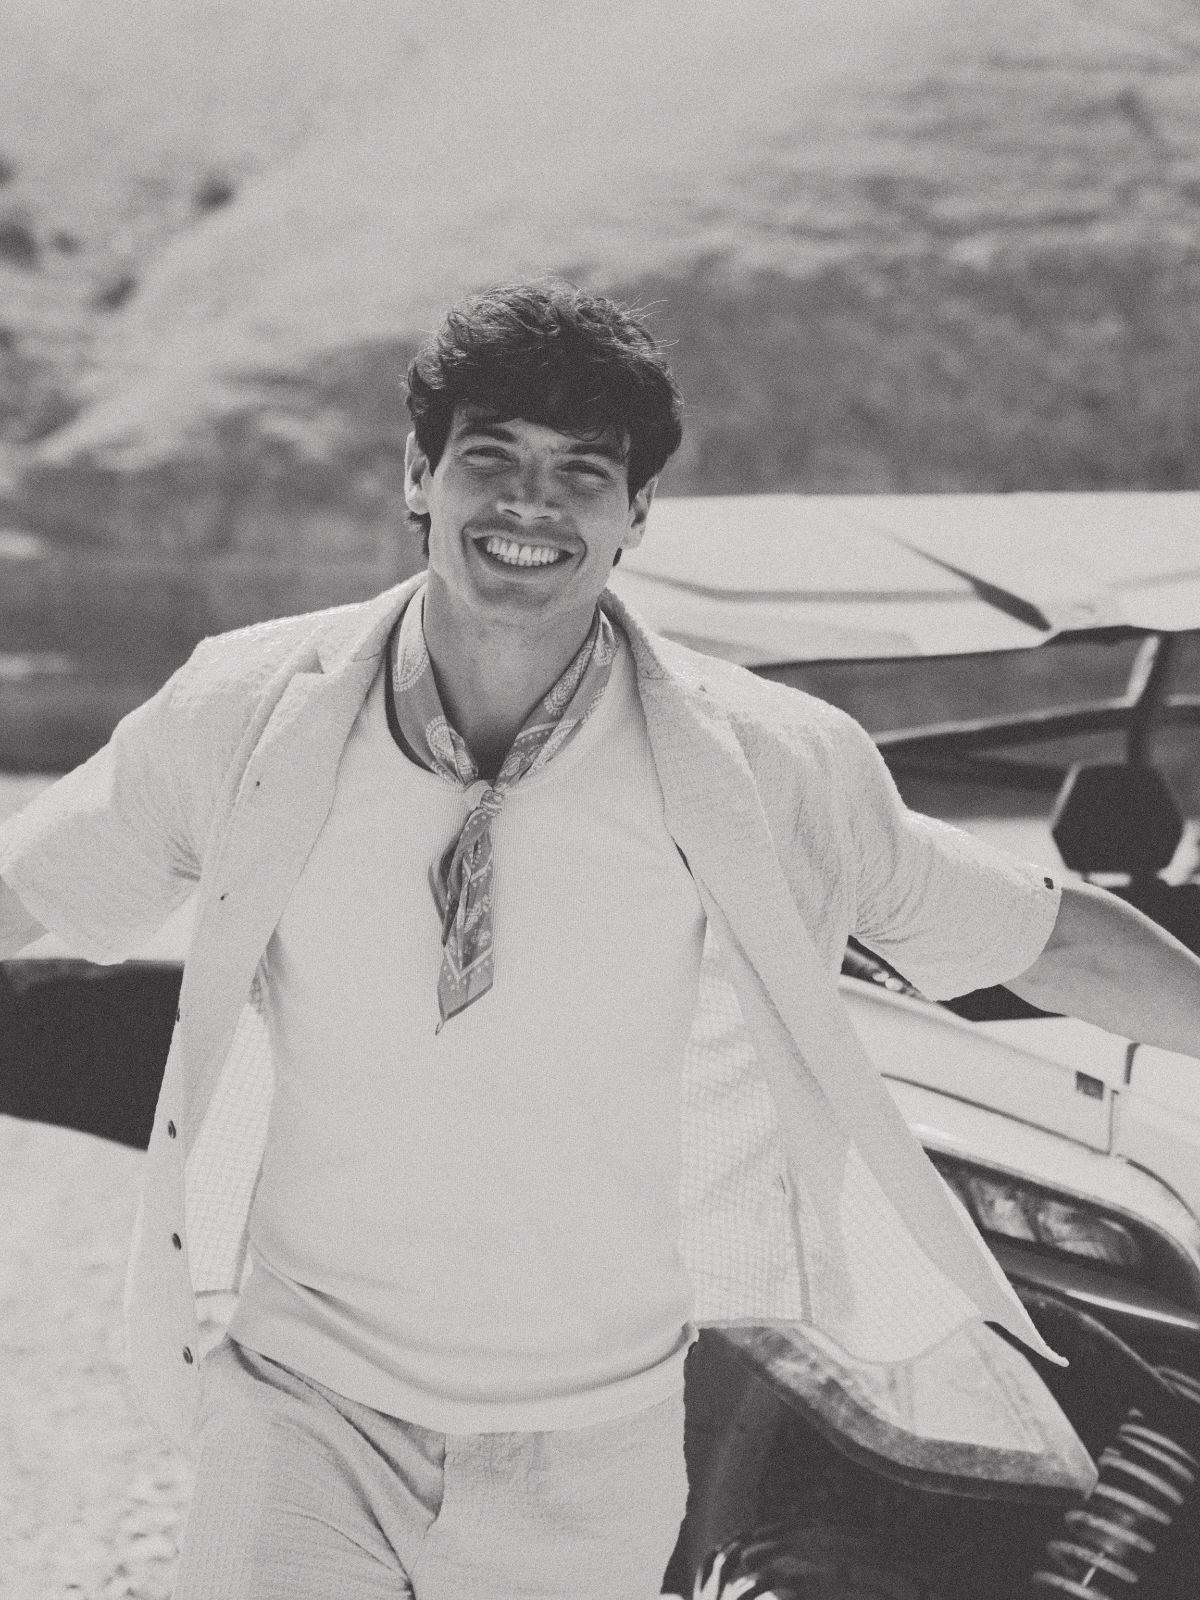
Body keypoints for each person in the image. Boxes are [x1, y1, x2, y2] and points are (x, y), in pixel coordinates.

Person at [3, 279, 1200, 1600]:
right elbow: (34, 879)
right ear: (418, 476)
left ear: (636, 515)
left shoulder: (763, 766)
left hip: (589, 1449)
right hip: (305, 1403)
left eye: (583, 471)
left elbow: (1046, 936)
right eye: (492, 458)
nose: (532, 505)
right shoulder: (249, 711)